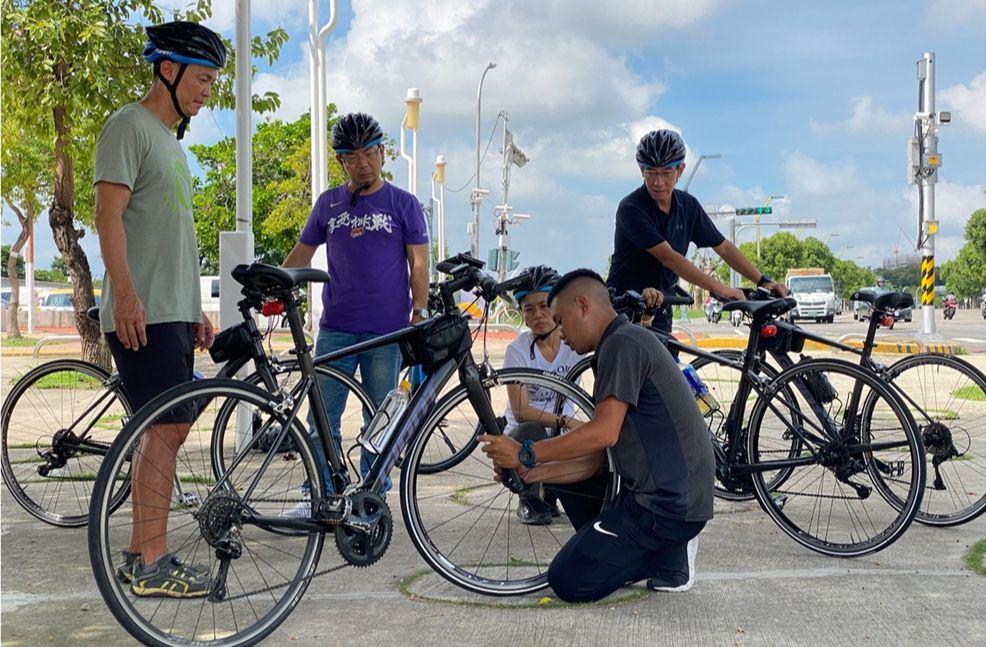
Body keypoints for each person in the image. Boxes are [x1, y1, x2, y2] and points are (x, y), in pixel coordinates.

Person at [480, 269, 715, 603]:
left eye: (561, 320)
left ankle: (667, 553)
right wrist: (533, 473)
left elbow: (602, 433)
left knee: (567, 580)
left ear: (583, 306)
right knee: (579, 547)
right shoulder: (618, 342)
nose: (560, 335)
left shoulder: (622, 344)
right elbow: (593, 459)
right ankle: (652, 553)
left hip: (666, 506)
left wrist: (526, 453)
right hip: (660, 496)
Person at [93, 20, 225, 598]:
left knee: (164, 429)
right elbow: (106, 216)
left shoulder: (171, 144)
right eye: (201, 78)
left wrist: (194, 307)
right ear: (166, 70)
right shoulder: (129, 126)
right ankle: (151, 561)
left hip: (170, 313)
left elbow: (174, 239)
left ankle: (137, 553)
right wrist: (125, 293)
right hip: (140, 312)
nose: (207, 91)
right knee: (167, 430)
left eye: (213, 81)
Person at [281, 112, 429, 515]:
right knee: (322, 419)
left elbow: (418, 263)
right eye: (351, 156)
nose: (362, 162)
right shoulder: (328, 203)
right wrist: (275, 280)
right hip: (335, 330)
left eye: (369, 153)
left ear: (383, 152)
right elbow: (303, 252)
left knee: (380, 419)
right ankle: (320, 494)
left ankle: (371, 496)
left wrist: (419, 311)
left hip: (387, 333)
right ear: (340, 162)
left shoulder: (404, 203)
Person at [607, 129, 788, 332]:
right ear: (642, 171)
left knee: (667, 362)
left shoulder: (688, 206)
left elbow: (724, 248)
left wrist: (763, 281)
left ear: (680, 170)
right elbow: (669, 257)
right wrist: (722, 289)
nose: (658, 182)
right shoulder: (631, 208)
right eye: (651, 173)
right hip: (623, 310)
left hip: (660, 311)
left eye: (666, 173)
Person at [500, 266, 588, 525]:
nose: (538, 315)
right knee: (532, 428)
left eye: (544, 306)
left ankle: (553, 493)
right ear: (523, 317)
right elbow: (521, 411)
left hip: (563, 435)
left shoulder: (575, 344)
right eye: (529, 309)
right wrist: (566, 421)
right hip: (527, 434)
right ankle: (528, 498)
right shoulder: (516, 351)